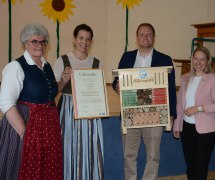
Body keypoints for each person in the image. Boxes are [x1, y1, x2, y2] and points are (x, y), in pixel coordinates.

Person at [112, 23, 177, 180]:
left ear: (154, 37)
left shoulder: (165, 59)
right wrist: (117, 86)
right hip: (130, 115)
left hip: (155, 115)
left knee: (153, 156)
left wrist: (171, 114)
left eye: (149, 34)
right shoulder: (127, 57)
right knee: (129, 155)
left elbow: (170, 88)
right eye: (142, 34)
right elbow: (116, 81)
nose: (145, 37)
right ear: (136, 38)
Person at [0, 23, 62, 179]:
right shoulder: (16, 66)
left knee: (47, 167)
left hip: (48, 126)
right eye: (34, 41)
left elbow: (50, 92)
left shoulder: (46, 66)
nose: (39, 45)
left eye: (43, 41)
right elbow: (6, 102)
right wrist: (24, 132)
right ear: (25, 43)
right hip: (26, 124)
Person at [53, 24, 104, 180]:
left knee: (89, 148)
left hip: (90, 112)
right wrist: (63, 80)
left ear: (91, 41)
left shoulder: (97, 62)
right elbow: (55, 90)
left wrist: (97, 109)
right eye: (81, 38)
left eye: (88, 39)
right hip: (67, 111)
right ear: (74, 39)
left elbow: (99, 91)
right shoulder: (62, 60)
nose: (84, 42)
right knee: (67, 147)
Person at [173, 46, 215, 180]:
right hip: (186, 128)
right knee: (190, 166)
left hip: (206, 130)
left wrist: (198, 108)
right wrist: (177, 125)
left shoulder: (214, 79)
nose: (199, 62)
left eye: (203, 59)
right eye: (196, 58)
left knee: (200, 167)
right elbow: (179, 104)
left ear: (208, 61)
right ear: (191, 60)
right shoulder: (185, 78)